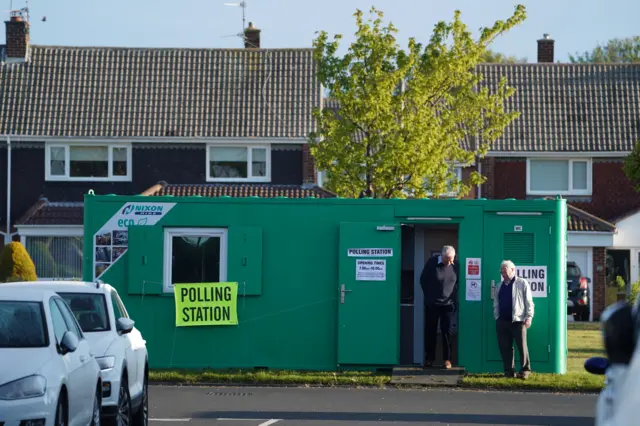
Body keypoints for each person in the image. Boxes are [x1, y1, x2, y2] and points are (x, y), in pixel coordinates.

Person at [493, 260, 535, 379]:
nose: (503, 274)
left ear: (513, 270)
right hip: (502, 321)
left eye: (505, 271)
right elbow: (496, 302)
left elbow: (529, 302)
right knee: (505, 347)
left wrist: (529, 317)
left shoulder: (522, 283)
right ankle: (509, 371)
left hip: (518, 321)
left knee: (522, 347)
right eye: (501, 272)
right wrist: (497, 316)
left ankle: (525, 370)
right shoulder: (499, 285)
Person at [420, 245, 459, 369]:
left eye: (452, 259)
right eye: (447, 259)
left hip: (448, 305)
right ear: (441, 256)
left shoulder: (456, 265)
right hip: (433, 304)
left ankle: (447, 359)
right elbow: (423, 280)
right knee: (430, 331)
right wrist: (430, 297)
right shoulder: (432, 263)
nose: (450, 262)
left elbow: (457, 283)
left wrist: (453, 298)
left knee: (447, 332)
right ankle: (429, 359)